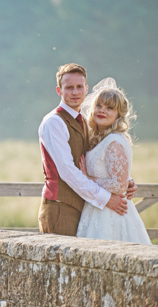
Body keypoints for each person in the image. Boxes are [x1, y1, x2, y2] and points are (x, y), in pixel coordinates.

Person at [38, 63, 136, 236]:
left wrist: (125, 181)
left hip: (87, 208)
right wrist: (107, 199)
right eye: (69, 88)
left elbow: (99, 161)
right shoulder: (54, 122)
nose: (75, 92)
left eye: (79, 87)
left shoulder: (85, 122)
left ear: (86, 89)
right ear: (59, 91)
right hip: (61, 208)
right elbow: (67, 171)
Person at [76, 79, 151, 244]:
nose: (102, 110)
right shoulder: (99, 138)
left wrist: (87, 179)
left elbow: (119, 185)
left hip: (110, 213)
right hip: (97, 208)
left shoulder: (114, 141)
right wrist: (128, 181)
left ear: (118, 114)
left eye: (109, 108)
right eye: (99, 106)